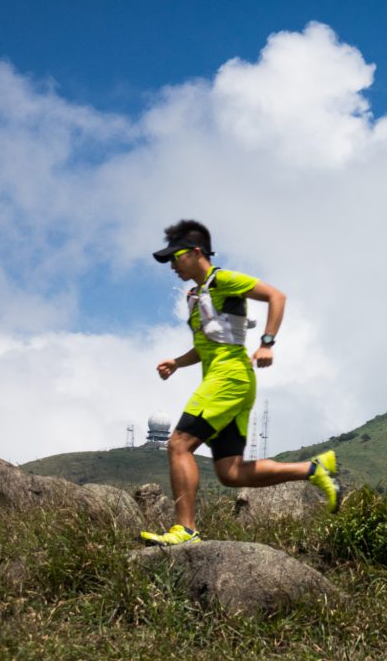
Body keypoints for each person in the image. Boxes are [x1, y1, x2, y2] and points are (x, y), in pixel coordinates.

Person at [140, 219, 340, 546]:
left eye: (175, 257)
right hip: (230, 379)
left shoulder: (224, 280)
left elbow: (276, 296)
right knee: (230, 473)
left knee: (178, 445)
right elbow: (208, 347)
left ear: (194, 252)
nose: (172, 265)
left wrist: (267, 342)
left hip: (228, 378)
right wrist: (178, 362)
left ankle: (186, 530)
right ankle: (314, 470)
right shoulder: (196, 295)